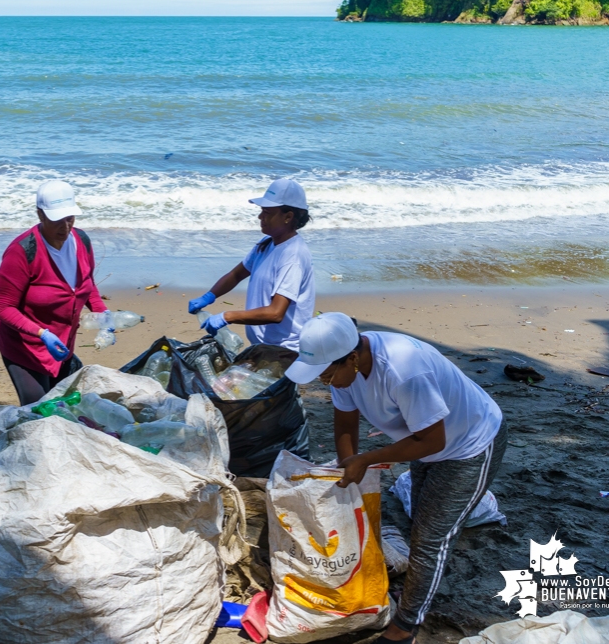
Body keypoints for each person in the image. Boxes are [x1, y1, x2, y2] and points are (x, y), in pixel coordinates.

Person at [285, 313, 507, 644]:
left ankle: (405, 626)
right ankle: (418, 586)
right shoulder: (347, 369)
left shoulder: (404, 371)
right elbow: (346, 424)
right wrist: (349, 466)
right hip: (424, 442)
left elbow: (433, 441)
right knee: (421, 520)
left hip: (469, 443)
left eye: (327, 375)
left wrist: (368, 459)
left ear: (352, 359)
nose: (324, 382)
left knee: (431, 538)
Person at [0, 180, 110, 406]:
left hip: (62, 344)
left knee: (69, 406)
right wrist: (42, 333)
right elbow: (2, 307)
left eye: (70, 218)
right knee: (38, 410)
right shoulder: (22, 251)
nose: (65, 227)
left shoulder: (82, 241)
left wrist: (103, 314)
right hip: (25, 346)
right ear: (40, 215)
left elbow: (87, 284)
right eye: (57, 219)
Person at [189, 178, 315, 353]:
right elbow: (236, 275)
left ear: (288, 216)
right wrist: (209, 296)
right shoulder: (267, 243)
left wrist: (227, 317)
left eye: (267, 213)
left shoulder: (293, 256)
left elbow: (276, 313)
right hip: (262, 347)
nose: (260, 217)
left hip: (284, 352)